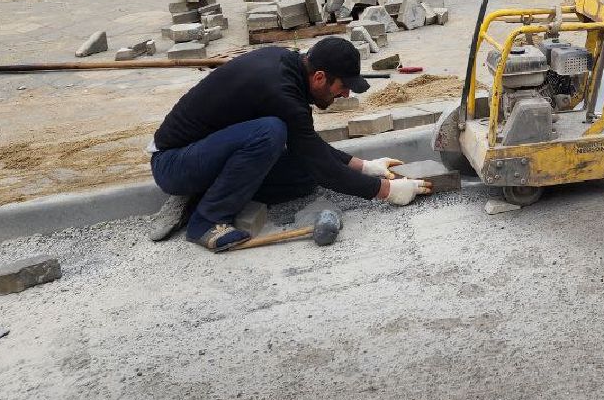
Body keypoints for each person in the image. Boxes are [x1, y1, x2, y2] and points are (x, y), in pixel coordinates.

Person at [147, 37, 432, 251]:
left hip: (205, 154)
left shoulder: (287, 68)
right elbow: (320, 164)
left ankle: (201, 196)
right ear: (320, 77)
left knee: (303, 175)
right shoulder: (280, 92)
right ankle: (206, 221)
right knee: (270, 133)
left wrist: (365, 167)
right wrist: (387, 191)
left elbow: (309, 148)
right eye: (342, 87)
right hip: (174, 162)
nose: (345, 94)